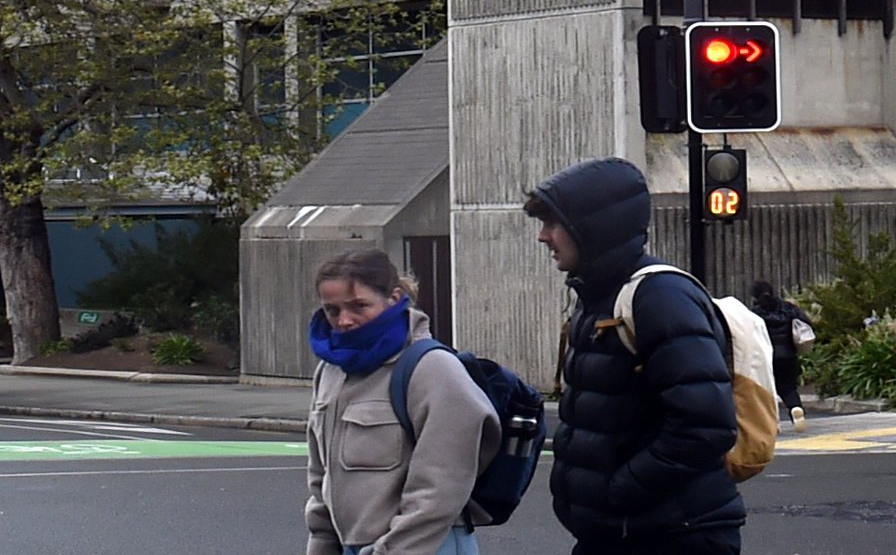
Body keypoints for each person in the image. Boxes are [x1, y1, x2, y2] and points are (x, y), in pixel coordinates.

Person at [526, 158, 742, 555]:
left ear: (592, 227)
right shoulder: (596, 297)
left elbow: (705, 425)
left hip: (670, 535)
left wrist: (620, 490)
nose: (544, 237)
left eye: (552, 223)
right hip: (621, 533)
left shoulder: (659, 298)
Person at [305, 247, 497, 555]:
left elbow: (441, 489)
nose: (344, 320)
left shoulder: (431, 368)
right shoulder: (331, 371)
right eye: (332, 310)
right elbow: (321, 479)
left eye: (359, 306)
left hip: (427, 547)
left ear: (393, 298)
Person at [742, 283, 807, 422]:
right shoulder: (788, 308)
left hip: (766, 356)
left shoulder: (754, 313)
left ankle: (772, 420)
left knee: (766, 388)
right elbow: (806, 322)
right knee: (788, 386)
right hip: (789, 354)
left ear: (754, 296)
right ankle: (795, 408)